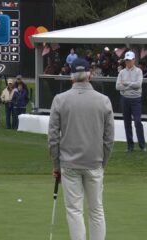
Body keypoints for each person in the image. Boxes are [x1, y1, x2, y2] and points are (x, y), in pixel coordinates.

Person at [48, 58, 115, 240]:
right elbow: (109, 139)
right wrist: (103, 162)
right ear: (89, 75)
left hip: (69, 164)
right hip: (94, 163)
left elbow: (53, 138)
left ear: (71, 77)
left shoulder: (60, 100)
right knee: (96, 210)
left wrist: (57, 164)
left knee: (74, 211)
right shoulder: (104, 101)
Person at [116, 51, 147, 152]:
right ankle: (130, 146)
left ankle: (142, 145)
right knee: (127, 123)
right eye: (126, 60)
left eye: (129, 60)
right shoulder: (121, 72)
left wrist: (126, 84)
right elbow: (117, 86)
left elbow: (138, 85)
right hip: (125, 99)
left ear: (134, 60)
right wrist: (131, 85)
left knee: (137, 121)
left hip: (136, 99)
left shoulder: (138, 71)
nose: (128, 62)